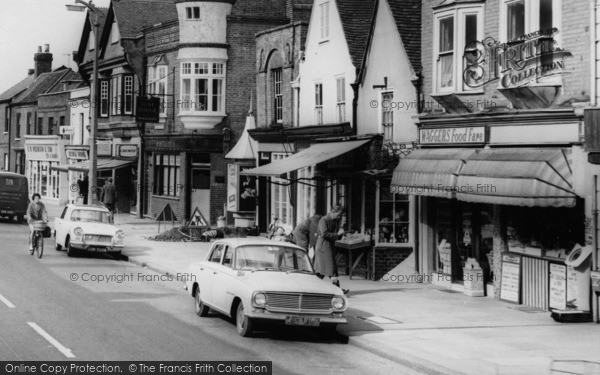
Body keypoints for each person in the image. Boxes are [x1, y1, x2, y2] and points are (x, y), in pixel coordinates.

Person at [314, 205, 348, 293]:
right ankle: (337, 289)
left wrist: (341, 234)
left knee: (322, 270)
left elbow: (336, 234)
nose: (339, 216)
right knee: (330, 268)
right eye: (338, 214)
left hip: (329, 246)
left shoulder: (335, 220)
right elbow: (325, 234)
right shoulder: (324, 220)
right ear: (333, 212)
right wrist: (338, 234)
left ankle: (314, 287)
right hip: (323, 247)